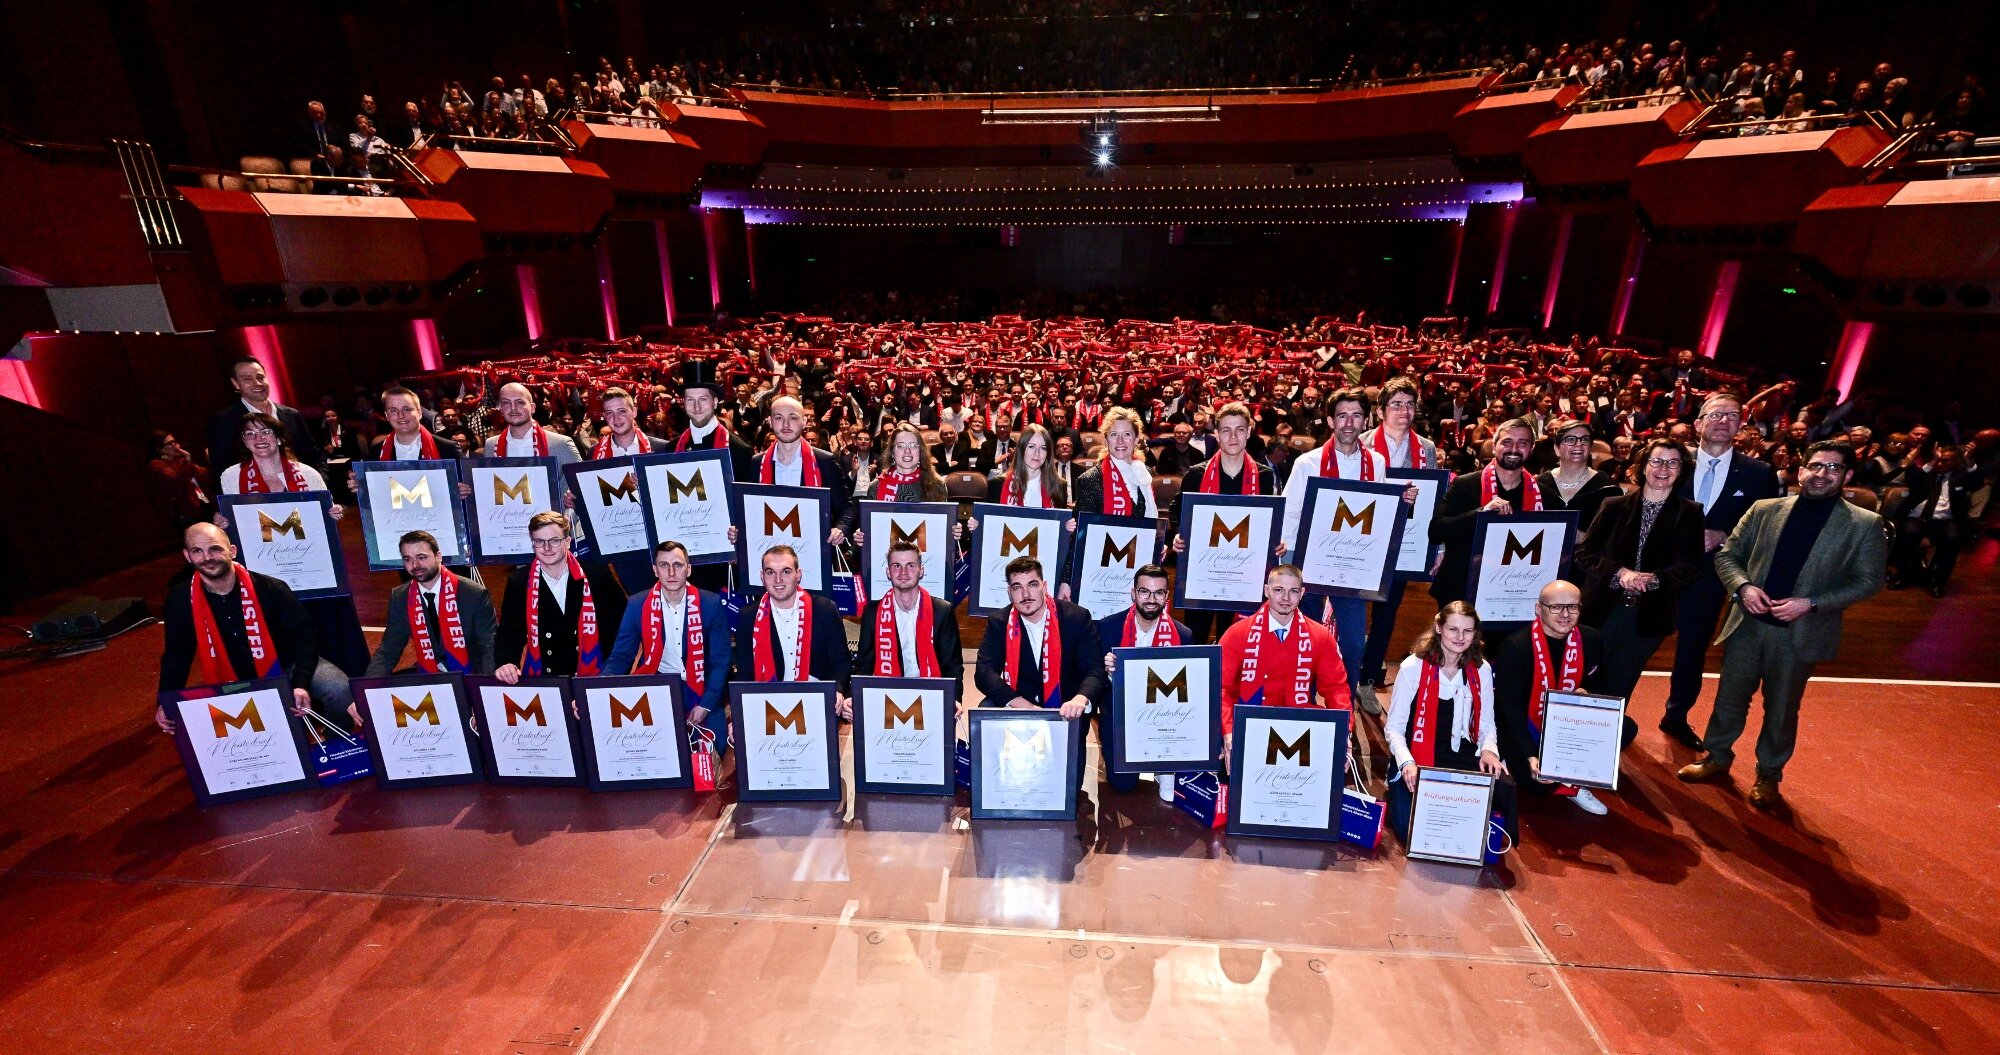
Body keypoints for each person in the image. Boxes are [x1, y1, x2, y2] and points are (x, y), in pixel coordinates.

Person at [1679, 442, 1886, 809]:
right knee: (1729, 700)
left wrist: (1811, 604)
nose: (1822, 475)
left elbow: (1868, 581)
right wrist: (1743, 588)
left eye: (1833, 469)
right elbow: (1728, 555)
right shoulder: (1764, 509)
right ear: (1800, 469)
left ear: (1847, 476)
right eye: (1815, 466)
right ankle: (1716, 757)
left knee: (1781, 709)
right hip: (1748, 625)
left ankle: (1768, 775)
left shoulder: (1864, 524)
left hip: (1800, 633)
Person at [1280, 387, 1414, 713]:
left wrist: (1401, 503)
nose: (1349, 423)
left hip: (1352, 565)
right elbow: (1290, 513)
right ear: (1330, 420)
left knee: (1354, 644)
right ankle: (1304, 703)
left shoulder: (1377, 463)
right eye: (1342, 415)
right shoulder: (1307, 463)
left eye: (1356, 415)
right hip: (1308, 563)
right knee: (1305, 637)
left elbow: (1374, 514)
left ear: (1366, 419)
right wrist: (1285, 562)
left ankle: (1344, 711)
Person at [1661, 393, 1780, 751]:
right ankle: (1612, 714)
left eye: (1732, 416)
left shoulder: (1760, 473)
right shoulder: (1671, 461)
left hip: (1714, 572)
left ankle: (1676, 717)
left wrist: (1726, 534)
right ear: (1698, 424)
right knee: (1637, 641)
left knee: (1692, 648)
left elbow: (1765, 527)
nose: (1724, 421)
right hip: (1662, 568)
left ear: (1740, 427)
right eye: (1716, 415)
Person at [155, 523, 356, 733]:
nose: (207, 557)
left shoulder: (271, 588)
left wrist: (300, 683)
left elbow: (305, 637)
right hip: (230, 679)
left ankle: (337, 746)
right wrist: (164, 699)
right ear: (187, 556)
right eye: (197, 551)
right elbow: (177, 654)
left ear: (232, 551)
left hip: (285, 667)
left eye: (215, 548)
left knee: (340, 689)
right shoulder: (180, 599)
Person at [1575, 437, 1706, 701]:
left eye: (1672, 463)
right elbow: (1585, 553)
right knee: (1583, 678)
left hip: (1648, 615)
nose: (1663, 469)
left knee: (1619, 685)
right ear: (1643, 466)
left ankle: (1607, 738)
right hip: (1601, 608)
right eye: (1656, 461)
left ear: (1681, 471)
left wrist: (1655, 579)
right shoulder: (1613, 505)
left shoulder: (1690, 512)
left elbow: (1692, 566)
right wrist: (1620, 573)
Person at [1492, 580, 1636, 816]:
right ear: (1539, 609)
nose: (1565, 615)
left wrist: (1588, 696)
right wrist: (1529, 755)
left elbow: (1601, 686)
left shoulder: (1591, 639)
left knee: (1626, 728)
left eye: (1573, 607)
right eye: (1556, 607)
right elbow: (1511, 710)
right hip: (1526, 726)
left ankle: (1575, 777)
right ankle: (1561, 776)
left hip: (1568, 728)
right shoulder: (1515, 647)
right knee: (1536, 784)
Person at [1382, 601, 1516, 846]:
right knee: (1410, 832)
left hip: (1462, 752)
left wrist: (1488, 750)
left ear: (1475, 633)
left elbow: (1487, 723)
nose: (1460, 637)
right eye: (1453, 629)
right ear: (1439, 627)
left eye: (1467, 631)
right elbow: (1394, 728)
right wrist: (1406, 762)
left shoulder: (1482, 669)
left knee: (1503, 787)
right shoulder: (1413, 666)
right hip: (1418, 753)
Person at [1218, 565, 1350, 768]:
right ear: (1266, 590)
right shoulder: (1237, 633)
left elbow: (1336, 688)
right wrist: (1228, 731)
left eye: (1293, 591)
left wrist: (1344, 733)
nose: (1286, 598)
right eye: (1279, 590)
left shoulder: (1320, 637)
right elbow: (1221, 689)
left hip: (1297, 724)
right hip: (1248, 722)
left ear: (1302, 594)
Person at [604, 541, 733, 746]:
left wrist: (705, 705)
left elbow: (721, 660)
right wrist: (595, 689)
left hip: (703, 687)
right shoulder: (638, 604)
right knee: (653, 747)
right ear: (655, 570)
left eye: (678, 565)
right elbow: (621, 656)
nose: (671, 572)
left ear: (688, 569)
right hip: (659, 687)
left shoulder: (710, 603)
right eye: (664, 565)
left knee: (718, 745)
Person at [1357, 378, 1439, 698]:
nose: (1404, 410)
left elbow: (1433, 502)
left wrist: (1438, 547)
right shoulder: (1362, 443)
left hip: (1405, 544)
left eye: (1410, 404)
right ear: (1380, 411)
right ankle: (1347, 672)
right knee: (1351, 614)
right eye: (1396, 404)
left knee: (1386, 615)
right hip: (1363, 540)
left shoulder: (1426, 448)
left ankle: (1367, 680)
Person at [1169, 401, 1275, 643]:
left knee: (1237, 641)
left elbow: (1270, 522)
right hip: (1203, 573)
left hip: (1244, 575)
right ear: (1216, 434)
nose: (1233, 436)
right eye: (1226, 430)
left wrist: (1276, 543)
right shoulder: (1196, 474)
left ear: (1249, 432)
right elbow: (1176, 510)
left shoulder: (1264, 477)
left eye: (1239, 429)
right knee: (1196, 639)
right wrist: (1177, 534)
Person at [1094, 564, 1195, 796]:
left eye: (1159, 593)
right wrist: (1108, 674)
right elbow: (1093, 677)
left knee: (1170, 793)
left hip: (1165, 720)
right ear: (1133, 593)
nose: (1151, 599)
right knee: (1122, 785)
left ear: (1166, 596)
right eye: (1144, 592)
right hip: (1122, 718)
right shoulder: (1108, 627)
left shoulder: (1183, 635)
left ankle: (1164, 766)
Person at [494, 512, 629, 682]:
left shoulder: (597, 576)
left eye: (554, 541)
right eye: (539, 542)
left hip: (593, 676)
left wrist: (611, 674)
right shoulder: (519, 582)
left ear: (567, 542)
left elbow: (621, 630)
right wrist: (506, 662)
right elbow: (510, 631)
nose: (547, 548)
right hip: (546, 677)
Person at [973, 556, 1108, 726]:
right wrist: (1022, 705)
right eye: (1017, 587)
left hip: (1067, 706)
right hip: (1020, 702)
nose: (1025, 594)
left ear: (1044, 586)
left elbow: (1094, 670)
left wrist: (1080, 699)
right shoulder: (999, 621)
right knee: (987, 708)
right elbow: (984, 672)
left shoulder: (1076, 617)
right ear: (1009, 592)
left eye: (1032, 584)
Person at [1429, 417, 1541, 613]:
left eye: (1522, 443)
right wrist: (1481, 513)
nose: (1514, 449)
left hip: (1512, 593)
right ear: (1494, 446)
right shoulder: (1465, 484)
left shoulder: (1542, 493)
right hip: (1461, 588)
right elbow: (1436, 531)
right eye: (1507, 442)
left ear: (1531, 449)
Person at [841, 540, 962, 713]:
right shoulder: (873, 612)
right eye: (896, 566)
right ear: (888, 572)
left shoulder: (942, 610)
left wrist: (955, 699)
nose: (903, 572)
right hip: (889, 692)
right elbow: (864, 666)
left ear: (921, 571)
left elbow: (953, 666)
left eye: (911, 565)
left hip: (931, 691)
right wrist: (852, 695)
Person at [364, 530, 498, 678]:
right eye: (408, 559)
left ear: (438, 557)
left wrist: (486, 688)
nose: (415, 565)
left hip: (472, 673)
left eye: (422, 557)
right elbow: (388, 651)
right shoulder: (400, 597)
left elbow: (489, 647)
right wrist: (366, 688)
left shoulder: (474, 594)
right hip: (430, 671)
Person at [733, 546, 853, 709]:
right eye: (770, 573)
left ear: (798, 574)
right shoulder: (748, 616)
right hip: (769, 703)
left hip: (818, 701)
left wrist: (837, 691)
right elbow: (744, 674)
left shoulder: (825, 609)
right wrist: (739, 716)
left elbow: (841, 662)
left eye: (786, 571)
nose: (778, 579)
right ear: (762, 577)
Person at [207, 357, 322, 489]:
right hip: (253, 498)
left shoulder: (292, 415)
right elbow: (219, 468)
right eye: (247, 379)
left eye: (260, 377)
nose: (257, 383)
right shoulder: (224, 421)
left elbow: (315, 457)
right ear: (236, 384)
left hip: (303, 493)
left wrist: (317, 487)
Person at [1890, 444, 1975, 597]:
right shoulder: (1926, 473)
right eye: (1938, 460)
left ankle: (1938, 582)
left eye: (1946, 461)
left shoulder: (1961, 477)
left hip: (1946, 520)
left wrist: (1969, 462)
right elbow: (1913, 480)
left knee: (1952, 538)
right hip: (1918, 517)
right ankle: (1902, 576)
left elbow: (1978, 481)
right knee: (1908, 532)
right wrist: (1931, 463)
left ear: (1956, 462)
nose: (1940, 464)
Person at [1537, 418, 1621, 538]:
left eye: (1585, 440)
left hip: (1588, 555)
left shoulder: (1606, 486)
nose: (1579, 444)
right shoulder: (1540, 485)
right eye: (1570, 439)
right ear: (1557, 449)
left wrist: (1582, 538)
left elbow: (1614, 533)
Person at [671, 360, 755, 480]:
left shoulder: (740, 452)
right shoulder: (670, 449)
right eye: (690, 400)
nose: (697, 407)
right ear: (684, 403)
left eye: (703, 399)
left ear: (715, 402)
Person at [1071, 407, 1159, 518]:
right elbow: (1084, 531)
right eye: (1114, 434)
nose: (1120, 441)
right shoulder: (1089, 480)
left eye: (1127, 434)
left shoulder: (1146, 473)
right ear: (1106, 441)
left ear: (1136, 439)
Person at [482, 382, 583, 465]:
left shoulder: (561, 444)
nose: (513, 408)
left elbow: (580, 482)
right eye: (506, 403)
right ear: (501, 410)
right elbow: (489, 483)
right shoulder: (491, 445)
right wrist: (468, 488)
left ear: (533, 408)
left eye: (520, 402)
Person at [991, 423, 1069, 508]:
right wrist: (977, 521)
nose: (1037, 453)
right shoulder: (997, 485)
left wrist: (1066, 521)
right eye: (1031, 447)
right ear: (1022, 449)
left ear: (1048, 453)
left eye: (1043, 448)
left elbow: (1060, 519)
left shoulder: (1059, 486)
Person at [869, 422, 950, 502]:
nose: (907, 451)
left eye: (913, 445)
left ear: (920, 451)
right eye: (900, 446)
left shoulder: (938, 485)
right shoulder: (875, 487)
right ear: (892, 452)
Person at [147, 430, 212, 530]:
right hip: (186, 513)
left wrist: (210, 460)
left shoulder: (180, 461)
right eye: (171, 443)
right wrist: (187, 459)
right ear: (160, 449)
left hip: (202, 505)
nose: (176, 445)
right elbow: (177, 481)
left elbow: (205, 475)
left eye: (175, 441)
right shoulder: (156, 465)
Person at [590, 386, 669, 459]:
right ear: (605, 416)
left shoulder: (662, 448)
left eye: (622, 411)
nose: (616, 418)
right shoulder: (593, 453)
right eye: (609, 413)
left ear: (634, 412)